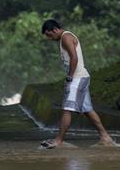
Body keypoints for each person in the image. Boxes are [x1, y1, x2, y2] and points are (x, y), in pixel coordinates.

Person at [40, 19, 114, 148]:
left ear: (55, 30)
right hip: (81, 77)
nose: (49, 38)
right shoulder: (65, 37)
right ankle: (105, 137)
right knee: (87, 110)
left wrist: (70, 77)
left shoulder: (66, 37)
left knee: (67, 109)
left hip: (77, 78)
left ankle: (58, 141)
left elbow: (74, 57)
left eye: (49, 35)